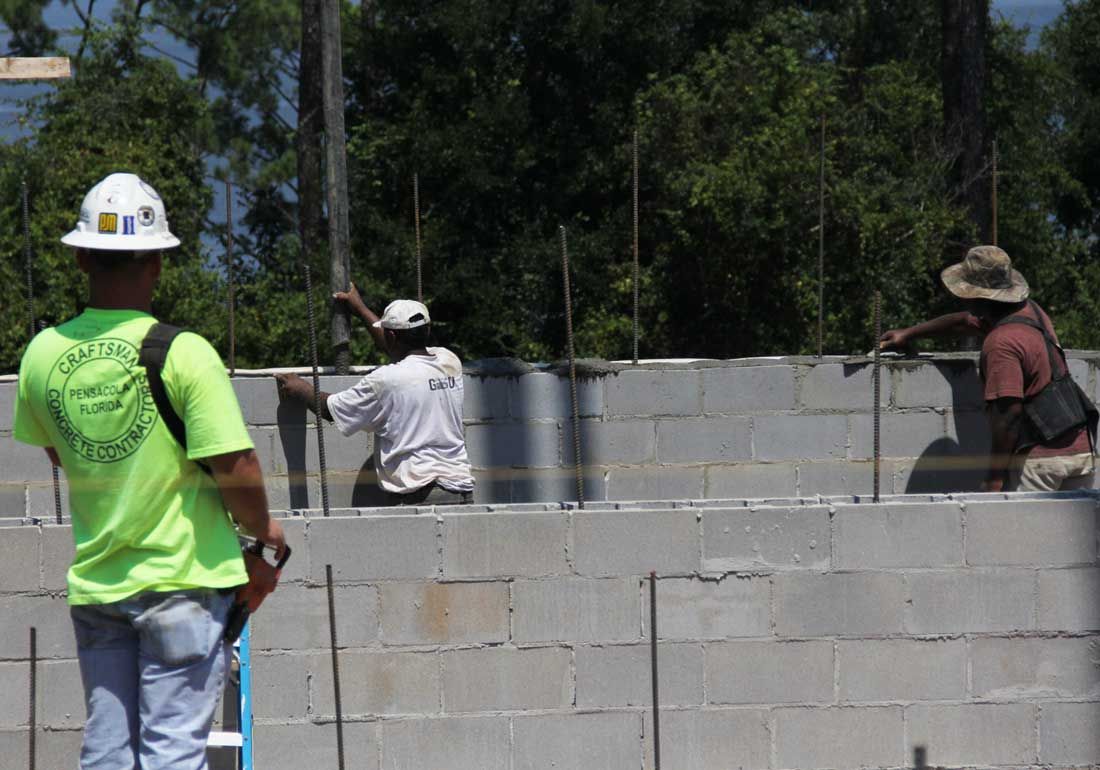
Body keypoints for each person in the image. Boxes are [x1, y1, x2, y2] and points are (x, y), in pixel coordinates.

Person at [11, 172, 286, 770]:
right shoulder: (185, 353)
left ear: (81, 255)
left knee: (108, 752)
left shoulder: (41, 355)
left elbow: (63, 452)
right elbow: (235, 465)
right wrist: (265, 536)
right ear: (159, 262)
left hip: (100, 585)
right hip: (183, 586)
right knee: (171, 756)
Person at [880, 245, 1096, 492]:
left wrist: (994, 477)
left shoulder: (1000, 344)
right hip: (1081, 449)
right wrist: (908, 334)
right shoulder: (1032, 313)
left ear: (978, 296)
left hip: (1041, 462)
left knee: (1024, 530)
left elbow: (1008, 416)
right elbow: (962, 322)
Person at [275, 284, 475, 505]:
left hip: (420, 497)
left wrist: (299, 387)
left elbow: (331, 409)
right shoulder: (449, 361)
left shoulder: (385, 381)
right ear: (426, 330)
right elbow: (396, 347)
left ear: (391, 335)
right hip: (461, 490)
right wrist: (359, 308)